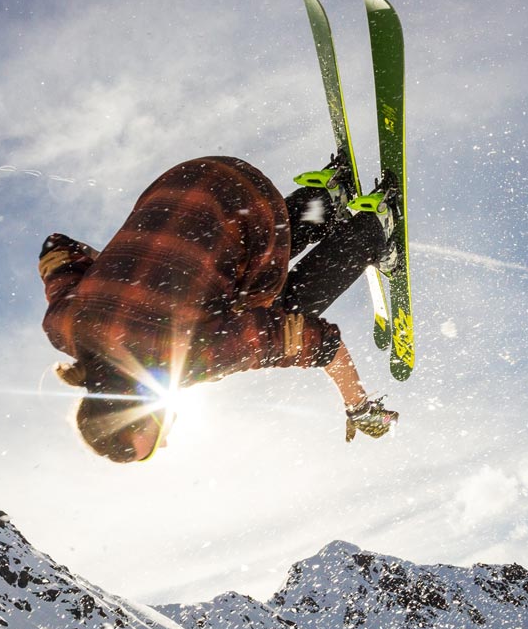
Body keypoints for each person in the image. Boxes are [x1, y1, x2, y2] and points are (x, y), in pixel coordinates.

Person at [39, 155, 400, 463]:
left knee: (280, 309)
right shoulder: (64, 327)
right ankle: (325, 199)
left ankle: (371, 230)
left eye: (149, 449)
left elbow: (316, 342)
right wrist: (133, 275)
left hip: (256, 202)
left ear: (133, 414)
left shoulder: (189, 357)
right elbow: (55, 247)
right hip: (189, 178)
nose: (164, 444)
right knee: (223, 272)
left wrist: (359, 407)